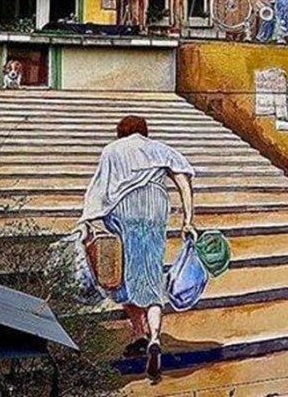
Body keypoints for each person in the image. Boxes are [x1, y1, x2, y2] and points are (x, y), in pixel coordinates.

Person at [80, 116, 196, 383]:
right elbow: (183, 182)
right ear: (145, 131)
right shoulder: (161, 149)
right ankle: (154, 337)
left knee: (122, 275)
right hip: (155, 212)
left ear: (121, 132)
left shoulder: (112, 150)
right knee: (151, 275)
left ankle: (137, 332)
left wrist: (90, 221)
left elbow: (99, 188)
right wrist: (188, 219)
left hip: (122, 213)